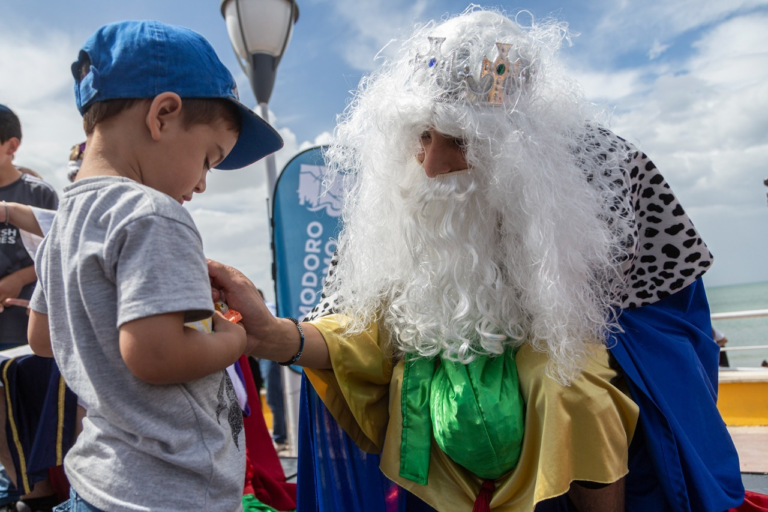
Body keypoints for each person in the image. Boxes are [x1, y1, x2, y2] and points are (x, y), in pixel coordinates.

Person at [209, 8, 747, 512]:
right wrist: (276, 336)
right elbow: (357, 329)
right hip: (437, 437)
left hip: (562, 448)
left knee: (572, 388)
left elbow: (669, 334)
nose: (432, 165)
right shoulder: (394, 197)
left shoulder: (607, 177)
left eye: (461, 141)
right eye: (423, 135)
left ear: (518, 147)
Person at [27, 20, 283, 511]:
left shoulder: (63, 224)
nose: (202, 184)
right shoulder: (154, 213)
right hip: (170, 490)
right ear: (163, 115)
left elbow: (42, 337)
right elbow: (157, 356)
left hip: (98, 480)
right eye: (208, 159)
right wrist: (233, 339)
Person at [0, 104, 58, 346]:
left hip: (24, 330)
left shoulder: (39, 194)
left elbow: (60, 255)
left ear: (11, 146)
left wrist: (18, 280)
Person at [256, 289, 288, 453]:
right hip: (262, 357)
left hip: (270, 356)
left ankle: (280, 438)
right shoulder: (270, 307)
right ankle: (280, 437)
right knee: (273, 399)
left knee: (274, 398)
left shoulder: (268, 308)